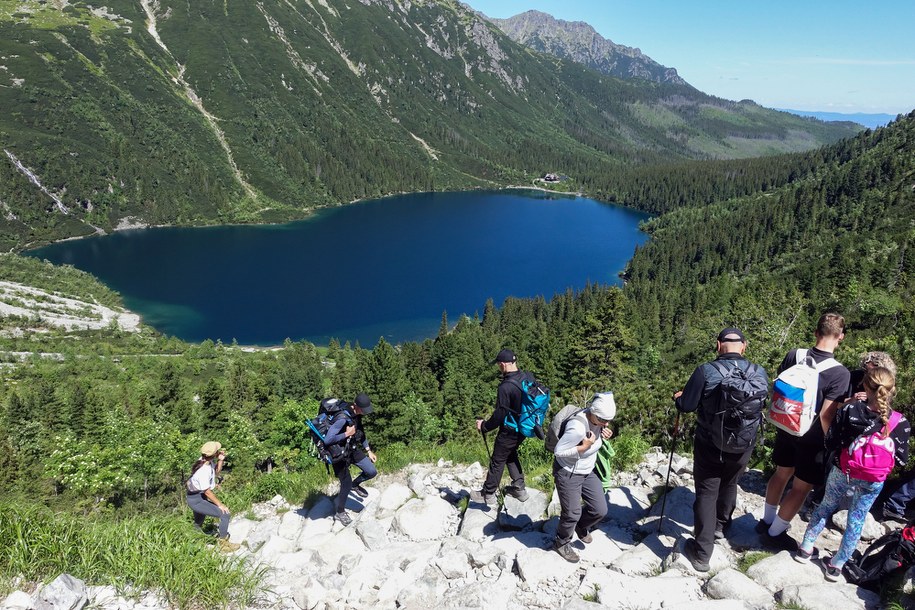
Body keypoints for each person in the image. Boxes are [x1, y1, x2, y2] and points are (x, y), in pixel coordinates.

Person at [794, 367, 910, 581]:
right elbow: (902, 459)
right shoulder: (900, 423)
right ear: (893, 389)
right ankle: (836, 565)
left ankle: (805, 548)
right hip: (873, 480)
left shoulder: (851, 410)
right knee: (856, 519)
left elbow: (831, 441)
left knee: (826, 506)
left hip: (844, 470)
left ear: (865, 387)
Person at [674, 327, 769, 572]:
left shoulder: (706, 371)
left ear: (718, 345)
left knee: (707, 492)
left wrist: (678, 398)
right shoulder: (759, 373)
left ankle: (702, 553)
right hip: (744, 445)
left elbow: (687, 405)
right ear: (744, 346)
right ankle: (720, 525)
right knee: (729, 483)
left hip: (710, 443)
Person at [758, 313, 850, 550]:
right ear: (840, 337)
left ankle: (766, 521)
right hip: (812, 437)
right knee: (801, 487)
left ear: (816, 332)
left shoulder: (795, 355)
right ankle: (775, 533)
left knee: (781, 473)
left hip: (786, 424)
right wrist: (832, 442)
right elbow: (826, 414)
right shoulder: (839, 373)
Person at [802, 351, 897, 521]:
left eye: (871, 371)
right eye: (866, 370)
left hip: (869, 437)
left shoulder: (886, 384)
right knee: (833, 467)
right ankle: (816, 504)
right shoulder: (853, 377)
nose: (867, 375)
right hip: (846, 430)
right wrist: (851, 400)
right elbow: (832, 406)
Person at [551, 392, 616, 563]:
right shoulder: (577, 427)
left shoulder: (597, 420)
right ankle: (561, 541)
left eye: (608, 420)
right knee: (572, 512)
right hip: (568, 471)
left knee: (600, 510)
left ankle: (581, 526)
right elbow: (559, 452)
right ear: (593, 413)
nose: (606, 423)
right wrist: (583, 447)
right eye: (603, 420)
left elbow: (597, 432)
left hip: (587, 471)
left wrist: (603, 432)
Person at [471, 349, 531, 506]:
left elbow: (500, 413)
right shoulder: (526, 377)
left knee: (497, 459)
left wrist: (484, 426)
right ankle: (519, 488)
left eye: (498, 365)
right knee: (509, 454)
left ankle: (487, 493)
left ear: (503, 364)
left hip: (510, 430)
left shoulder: (505, 387)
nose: (498, 367)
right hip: (525, 426)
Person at [322, 393, 378, 526]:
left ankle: (355, 484)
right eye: (363, 410)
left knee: (371, 471)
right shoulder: (342, 417)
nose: (365, 413)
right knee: (345, 482)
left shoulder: (357, 414)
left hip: (351, 449)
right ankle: (340, 512)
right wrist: (347, 433)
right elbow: (327, 440)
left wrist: (368, 451)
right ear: (356, 406)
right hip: (338, 453)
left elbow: (361, 432)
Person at [186, 441, 240, 552]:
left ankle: (195, 540)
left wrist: (220, 459)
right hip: (197, 500)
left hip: (197, 496)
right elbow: (207, 492)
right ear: (214, 454)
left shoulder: (204, 460)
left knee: (199, 521)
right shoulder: (203, 471)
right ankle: (223, 545)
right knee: (225, 514)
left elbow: (216, 471)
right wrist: (221, 505)